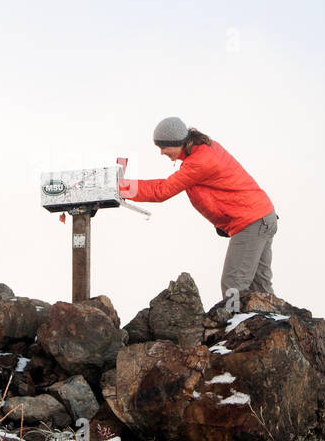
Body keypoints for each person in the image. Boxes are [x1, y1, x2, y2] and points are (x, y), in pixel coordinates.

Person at [118, 116, 279, 303]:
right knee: (260, 286)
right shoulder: (203, 149)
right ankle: (273, 324)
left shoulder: (199, 161)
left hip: (251, 222)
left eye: (163, 147)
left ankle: (235, 324)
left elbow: (162, 191)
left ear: (177, 142)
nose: (162, 153)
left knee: (233, 284)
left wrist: (120, 187)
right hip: (262, 217)